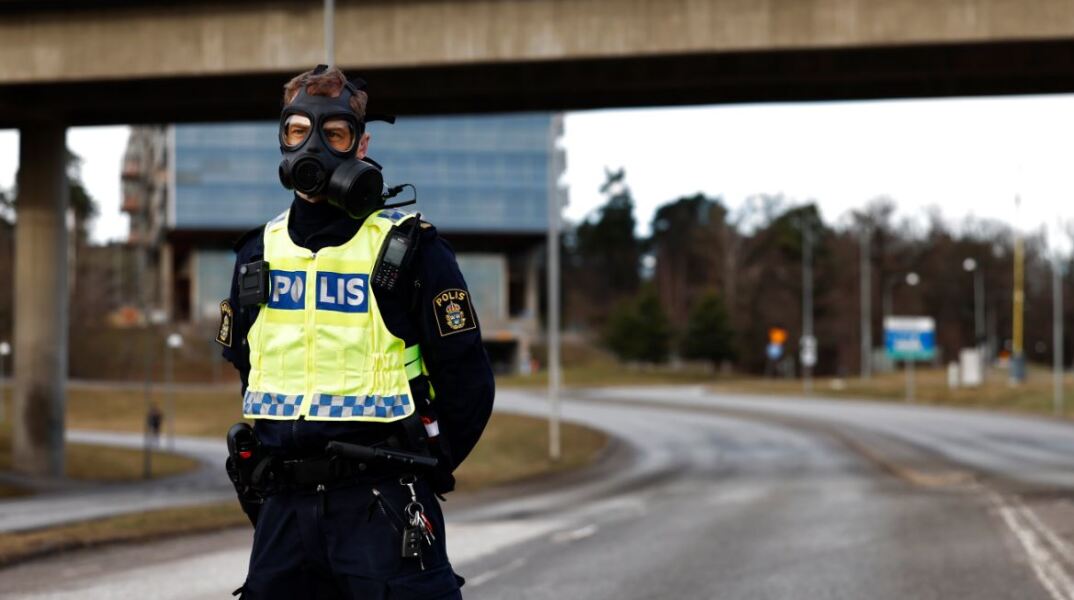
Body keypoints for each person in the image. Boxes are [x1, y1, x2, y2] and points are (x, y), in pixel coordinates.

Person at [217, 65, 495, 599]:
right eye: (298, 131)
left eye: (334, 133)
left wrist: (423, 466)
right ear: (283, 136)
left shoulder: (411, 251)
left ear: (360, 144)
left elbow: (469, 384)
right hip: (284, 516)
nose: (313, 147)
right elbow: (249, 369)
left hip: (382, 506)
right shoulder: (257, 254)